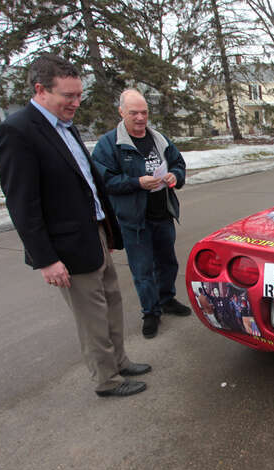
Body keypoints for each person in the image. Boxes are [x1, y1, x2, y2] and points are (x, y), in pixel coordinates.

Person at [0, 54, 151, 398]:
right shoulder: (18, 132)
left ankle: (120, 361)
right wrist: (45, 259)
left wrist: (107, 231)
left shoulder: (65, 126)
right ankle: (107, 380)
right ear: (40, 90)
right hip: (65, 246)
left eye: (79, 95)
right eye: (69, 96)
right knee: (92, 316)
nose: (76, 103)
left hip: (94, 234)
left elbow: (87, 183)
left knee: (111, 302)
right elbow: (22, 204)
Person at [92, 89, 190, 339]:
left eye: (144, 112)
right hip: (135, 221)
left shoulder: (160, 139)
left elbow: (179, 164)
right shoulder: (109, 144)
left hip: (162, 215)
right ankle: (151, 312)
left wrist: (174, 176)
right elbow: (104, 181)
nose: (140, 118)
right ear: (121, 112)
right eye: (134, 112)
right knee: (143, 270)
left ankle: (167, 300)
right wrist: (136, 182)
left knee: (168, 263)